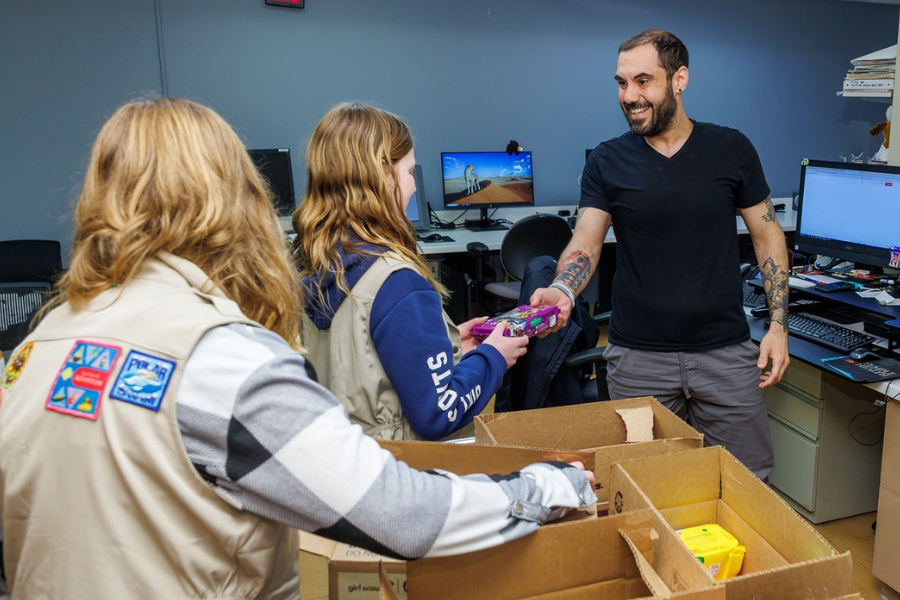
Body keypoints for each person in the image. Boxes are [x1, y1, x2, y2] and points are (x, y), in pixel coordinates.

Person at [0, 98, 594, 599]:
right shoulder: (220, 358)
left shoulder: (37, 348)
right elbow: (401, 513)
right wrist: (543, 487)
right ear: (230, 199)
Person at [532, 30, 790, 481]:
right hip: (638, 358)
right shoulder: (607, 162)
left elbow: (768, 237)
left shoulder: (732, 149)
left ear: (679, 79)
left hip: (724, 352)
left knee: (748, 483)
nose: (629, 96)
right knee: (639, 484)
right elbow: (586, 242)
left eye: (643, 81)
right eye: (621, 83)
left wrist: (778, 325)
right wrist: (562, 289)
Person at [293, 102, 529, 441]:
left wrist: (446, 344)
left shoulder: (317, 262)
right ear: (382, 172)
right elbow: (439, 413)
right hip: (403, 470)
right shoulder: (397, 281)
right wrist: (494, 357)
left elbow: (361, 362)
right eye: (408, 172)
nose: (414, 186)